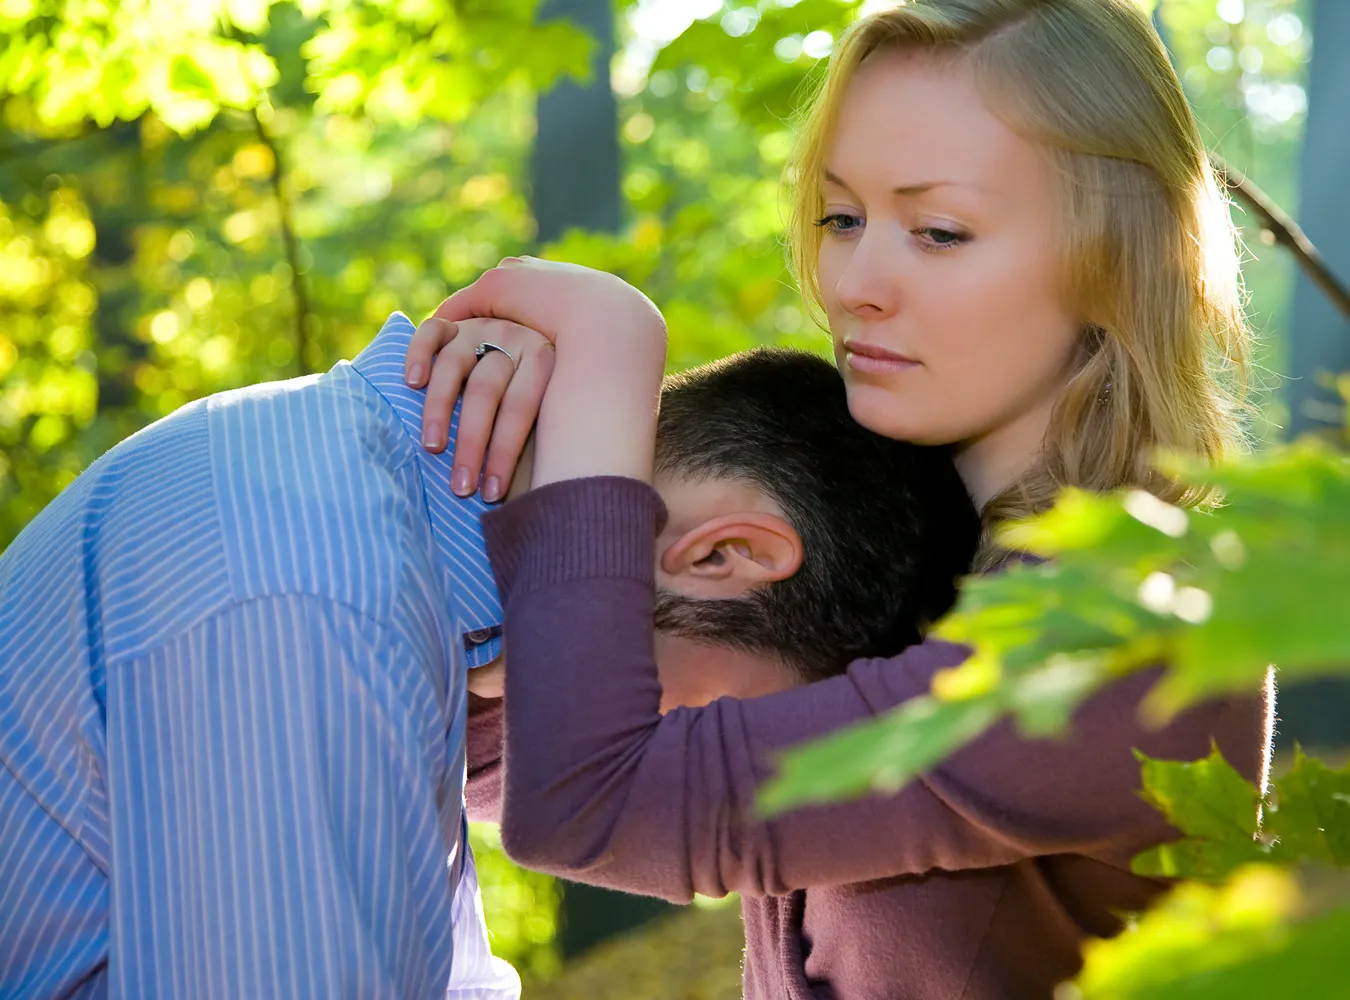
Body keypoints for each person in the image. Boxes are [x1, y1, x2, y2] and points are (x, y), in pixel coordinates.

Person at [406, 1, 1275, 997]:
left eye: (939, 231)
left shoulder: (1130, 641)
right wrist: (523, 438)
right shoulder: (879, 512)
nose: (857, 282)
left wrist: (605, 347)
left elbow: (587, 803)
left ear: (1121, 255)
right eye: (842, 217)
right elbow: (477, 758)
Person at [0, 310, 976, 998]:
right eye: (683, 727)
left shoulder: (374, 543)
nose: (643, 767)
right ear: (723, 554)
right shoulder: (318, 592)